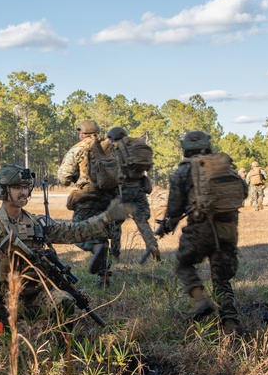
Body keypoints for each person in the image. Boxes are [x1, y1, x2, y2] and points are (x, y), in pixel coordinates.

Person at [0, 165, 124, 325]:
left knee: (64, 302)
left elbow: (72, 232)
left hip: (35, 296)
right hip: (1, 302)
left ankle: (59, 340)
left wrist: (106, 218)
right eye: (17, 187)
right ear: (2, 190)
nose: (23, 192)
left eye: (26, 187)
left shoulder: (36, 224)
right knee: (1, 334)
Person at [157, 130, 247, 334]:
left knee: (183, 263)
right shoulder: (225, 166)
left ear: (185, 148)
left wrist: (166, 227)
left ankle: (200, 300)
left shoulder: (183, 171)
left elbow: (174, 208)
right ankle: (230, 322)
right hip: (228, 229)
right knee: (221, 278)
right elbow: (244, 191)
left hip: (201, 229)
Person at [57, 119, 117, 281]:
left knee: (77, 233)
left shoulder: (79, 148)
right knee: (102, 234)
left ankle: (95, 247)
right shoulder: (110, 146)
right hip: (110, 198)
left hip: (87, 197)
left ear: (82, 133)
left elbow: (64, 177)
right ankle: (104, 277)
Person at [105, 126, 160, 262]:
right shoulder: (134, 148)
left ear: (112, 138)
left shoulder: (115, 150)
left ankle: (115, 256)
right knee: (142, 221)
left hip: (123, 189)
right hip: (139, 188)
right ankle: (152, 246)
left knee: (116, 224)